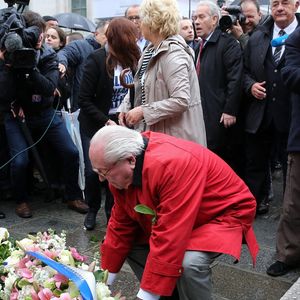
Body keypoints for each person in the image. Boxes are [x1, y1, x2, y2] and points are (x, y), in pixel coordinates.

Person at [89, 125, 259, 300]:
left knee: (190, 263)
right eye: (97, 172)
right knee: (130, 243)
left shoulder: (172, 165)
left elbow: (170, 235)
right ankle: (165, 293)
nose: (101, 179)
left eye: (104, 172)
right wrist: (101, 283)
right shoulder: (121, 168)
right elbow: (120, 227)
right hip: (183, 215)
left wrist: (145, 297)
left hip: (222, 213)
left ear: (131, 160)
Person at [1, 11, 88, 217]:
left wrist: (30, 68)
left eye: (42, 33)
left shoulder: (48, 55)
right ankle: (21, 200)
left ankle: (72, 195)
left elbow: (49, 87)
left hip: (46, 113)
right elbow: (5, 93)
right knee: (20, 160)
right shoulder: (9, 56)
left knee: (71, 152)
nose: (41, 37)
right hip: (17, 115)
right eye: (37, 33)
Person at [78, 18, 140, 230]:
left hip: (120, 123)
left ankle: (112, 214)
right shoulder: (96, 59)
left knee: (116, 170)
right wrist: (105, 121)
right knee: (93, 171)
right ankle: (92, 209)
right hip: (95, 123)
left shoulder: (134, 59)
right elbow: (83, 99)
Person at [119, 0, 206, 146]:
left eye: (141, 18)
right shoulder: (151, 49)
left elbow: (181, 100)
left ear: (153, 22)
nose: (139, 24)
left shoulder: (173, 53)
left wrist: (142, 111)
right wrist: (126, 107)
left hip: (176, 139)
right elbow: (142, 84)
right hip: (157, 135)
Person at [243, 0, 299, 214]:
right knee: (255, 163)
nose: (279, 8)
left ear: (296, 5)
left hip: (291, 115)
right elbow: (244, 71)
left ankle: (290, 213)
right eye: (275, 3)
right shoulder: (258, 37)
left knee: (291, 169)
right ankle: (253, 206)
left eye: (285, 3)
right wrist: (250, 86)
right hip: (261, 113)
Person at [194, 1, 243, 173]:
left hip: (220, 115)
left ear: (215, 19)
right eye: (195, 18)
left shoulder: (227, 43)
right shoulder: (197, 45)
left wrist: (230, 109)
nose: (196, 22)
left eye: (201, 17)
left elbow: (235, 79)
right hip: (202, 114)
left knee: (222, 163)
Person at [266, 26, 300, 277]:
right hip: (299, 136)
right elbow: (289, 73)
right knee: (293, 203)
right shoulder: (296, 39)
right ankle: (288, 254)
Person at [58, 20, 109, 111]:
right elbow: (64, 53)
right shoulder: (81, 46)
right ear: (96, 34)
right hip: (82, 108)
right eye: (107, 34)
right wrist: (62, 63)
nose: (110, 38)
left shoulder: (112, 51)